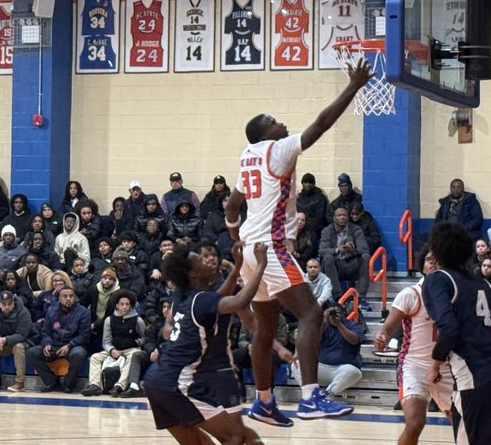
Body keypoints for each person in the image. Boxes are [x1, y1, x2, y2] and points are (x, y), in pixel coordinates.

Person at [225, 57, 371, 425]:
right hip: (270, 247)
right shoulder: (279, 149)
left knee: (265, 328)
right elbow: (320, 125)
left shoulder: (247, 157)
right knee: (311, 313)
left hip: (249, 248)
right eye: (274, 121)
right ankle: (310, 398)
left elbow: (233, 202)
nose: (281, 123)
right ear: (264, 133)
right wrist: (353, 87)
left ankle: (263, 402)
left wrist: (232, 231)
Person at [143, 242, 266, 445]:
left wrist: (237, 266)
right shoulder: (200, 300)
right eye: (200, 259)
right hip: (178, 382)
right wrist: (261, 264)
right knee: (233, 437)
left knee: (197, 443)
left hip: (155, 380)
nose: (207, 260)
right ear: (192, 273)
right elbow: (238, 302)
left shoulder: (183, 295)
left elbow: (219, 297)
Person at [423, 221, 491, 445]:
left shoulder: (438, 279)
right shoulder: (485, 284)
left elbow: (449, 329)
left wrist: (434, 365)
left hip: (474, 375)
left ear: (434, 252)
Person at [374, 246, 454, 445]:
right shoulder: (410, 294)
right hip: (414, 367)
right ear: (422, 266)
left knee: (464, 424)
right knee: (415, 422)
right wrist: (381, 336)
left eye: (438, 259)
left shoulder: (453, 294)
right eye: (429, 259)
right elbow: (388, 327)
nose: (433, 263)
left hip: (445, 367)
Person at [81, 289, 145, 397]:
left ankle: (119, 386)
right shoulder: (109, 320)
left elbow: (145, 338)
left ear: (131, 306)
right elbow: (106, 341)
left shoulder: (138, 320)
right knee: (95, 357)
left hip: (131, 349)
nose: (124, 307)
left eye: (127, 304)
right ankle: (95, 385)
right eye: (122, 304)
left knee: (133, 356)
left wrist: (137, 341)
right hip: (114, 349)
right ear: (117, 305)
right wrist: (111, 350)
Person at [26, 284, 89, 393]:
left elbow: (84, 335)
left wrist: (69, 345)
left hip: (73, 346)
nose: (68, 299)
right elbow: (46, 332)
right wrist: (47, 344)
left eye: (71, 296)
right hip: (54, 345)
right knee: (31, 352)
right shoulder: (51, 311)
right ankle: (51, 382)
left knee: (79, 354)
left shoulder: (83, 312)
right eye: (65, 296)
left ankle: (68, 384)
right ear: (59, 299)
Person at [319, 207, 372, 310]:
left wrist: (353, 251)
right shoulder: (327, 231)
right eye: (339, 215)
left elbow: (364, 249)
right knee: (327, 258)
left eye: (344, 215)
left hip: (351, 264)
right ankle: (338, 297)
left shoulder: (356, 229)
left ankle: (361, 298)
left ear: (348, 217)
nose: (342, 217)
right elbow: (322, 250)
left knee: (366, 257)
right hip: (336, 265)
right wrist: (338, 250)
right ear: (334, 218)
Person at [0, 290, 33, 392]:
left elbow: (22, 335)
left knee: (18, 347)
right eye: (4, 304)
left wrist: (5, 340)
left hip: (23, 342)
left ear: (14, 303)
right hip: (3, 343)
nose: (7, 306)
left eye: (9, 304)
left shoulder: (24, 312)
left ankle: (20, 383)